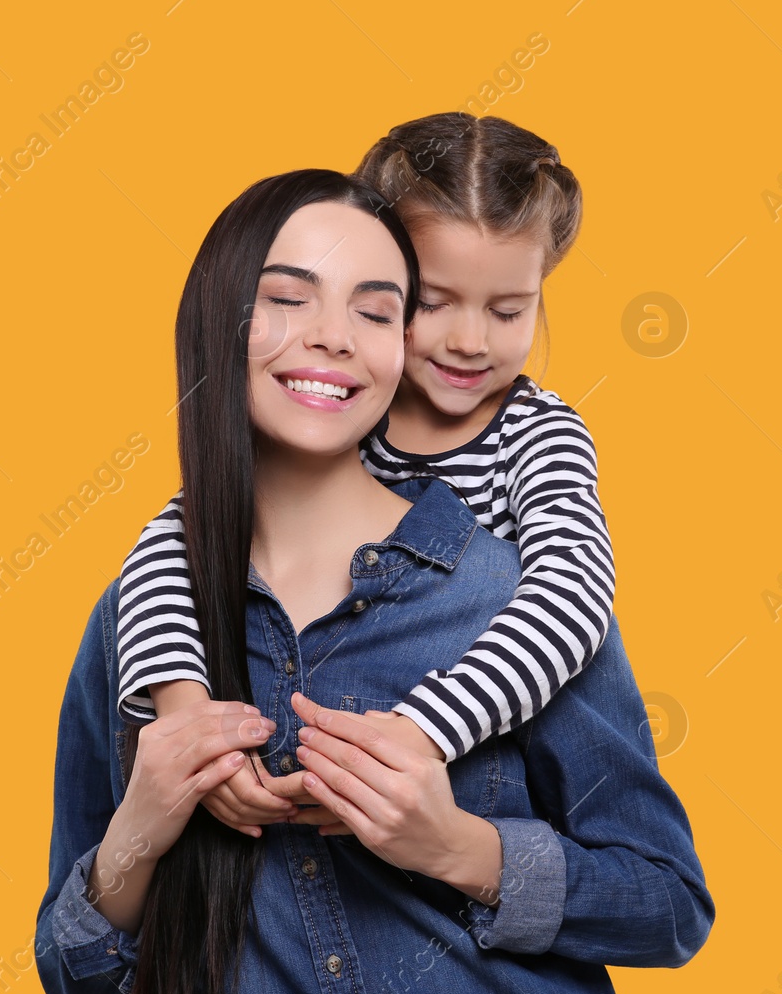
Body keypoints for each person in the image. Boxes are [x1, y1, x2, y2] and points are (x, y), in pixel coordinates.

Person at [34, 168, 713, 994]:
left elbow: (667, 906)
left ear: (401, 346)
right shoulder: (148, 619)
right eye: (287, 298)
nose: (331, 338)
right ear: (218, 319)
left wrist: (459, 849)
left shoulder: (511, 599)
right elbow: (74, 981)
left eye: (376, 308)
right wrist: (142, 828)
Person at [114, 115, 614, 821]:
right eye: (432, 303)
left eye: (508, 310)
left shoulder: (537, 434)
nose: (469, 341)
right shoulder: (341, 411)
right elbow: (179, 535)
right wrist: (187, 713)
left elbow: (575, 589)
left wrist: (422, 732)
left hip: (471, 772)